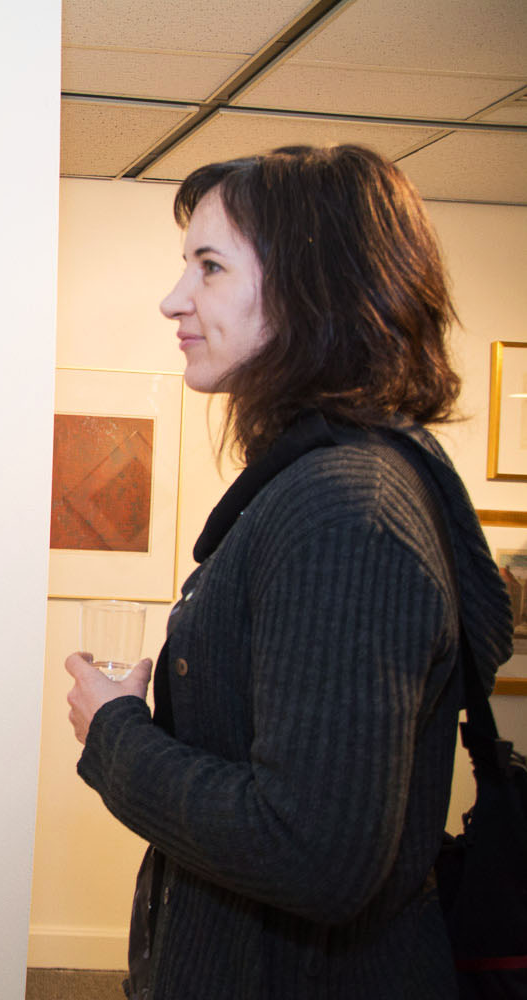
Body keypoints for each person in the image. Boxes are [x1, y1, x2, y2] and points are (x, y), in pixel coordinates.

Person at [63, 144, 514, 999]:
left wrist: (118, 736)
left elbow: (315, 856)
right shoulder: (323, 486)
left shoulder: (349, 511)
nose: (174, 300)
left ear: (315, 291)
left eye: (210, 267)